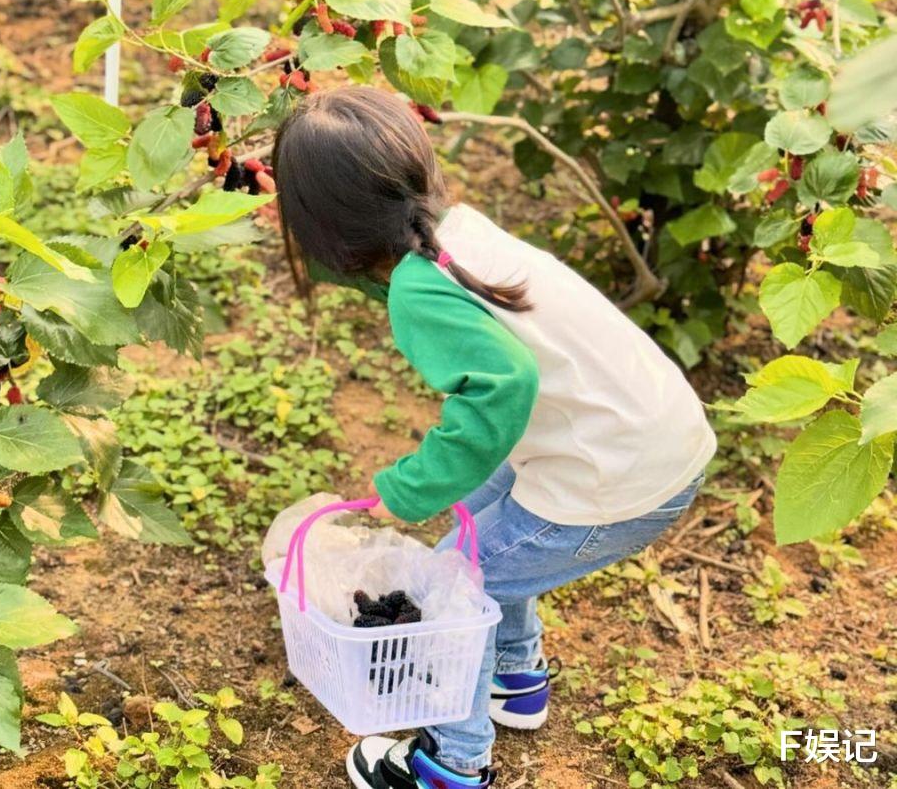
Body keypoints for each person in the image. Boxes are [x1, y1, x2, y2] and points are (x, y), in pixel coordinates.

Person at [269, 86, 716, 789]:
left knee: (457, 584)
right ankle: (515, 675)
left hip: (617, 480)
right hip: (649, 437)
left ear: (325, 228)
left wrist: (406, 490)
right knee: (482, 510)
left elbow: (502, 386)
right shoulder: (459, 234)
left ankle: (453, 762)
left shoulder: (419, 288)